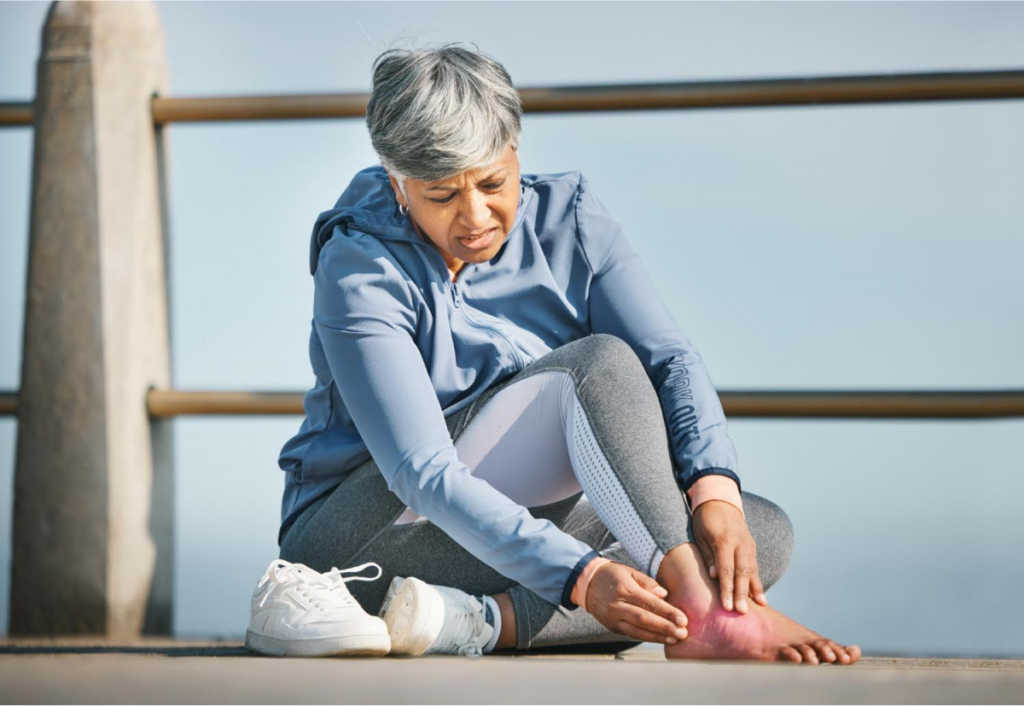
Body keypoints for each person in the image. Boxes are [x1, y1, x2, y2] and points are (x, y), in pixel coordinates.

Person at [275, 43, 860, 664]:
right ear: (398, 183)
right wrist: (580, 574)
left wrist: (713, 489)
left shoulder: (571, 222)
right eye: (442, 197)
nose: (475, 217)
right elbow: (422, 471)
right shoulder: (360, 266)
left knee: (755, 536)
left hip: (502, 534)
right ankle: (702, 614)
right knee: (597, 365)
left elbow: (670, 359)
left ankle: (473, 622)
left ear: (516, 149)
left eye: (493, 184)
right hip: (361, 542)